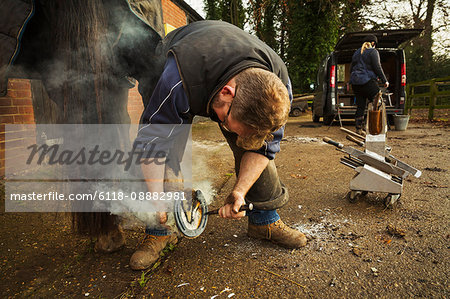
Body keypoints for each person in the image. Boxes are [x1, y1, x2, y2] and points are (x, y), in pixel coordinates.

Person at [129, 20, 308, 270]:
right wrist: (157, 200)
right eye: (225, 122)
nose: (224, 128)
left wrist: (239, 192)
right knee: (166, 147)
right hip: (175, 64)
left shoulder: (278, 89)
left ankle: (264, 220)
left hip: (221, 69)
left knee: (256, 145)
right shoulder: (176, 79)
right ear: (226, 92)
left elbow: (264, 149)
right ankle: (160, 230)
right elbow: (151, 143)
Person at [350, 34, 389, 134]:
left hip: (355, 83)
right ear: (373, 43)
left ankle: (359, 128)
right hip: (367, 81)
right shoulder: (373, 51)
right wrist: (385, 80)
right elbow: (377, 67)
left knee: (360, 105)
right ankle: (373, 126)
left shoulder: (356, 52)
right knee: (378, 101)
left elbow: (351, 68)